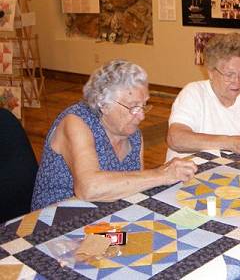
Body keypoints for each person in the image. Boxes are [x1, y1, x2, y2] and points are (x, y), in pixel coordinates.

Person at [31, 60, 197, 210]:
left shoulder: (132, 133)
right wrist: (161, 174)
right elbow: (89, 188)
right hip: (57, 225)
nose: (141, 116)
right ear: (103, 104)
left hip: (104, 219)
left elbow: (135, 186)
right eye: (133, 107)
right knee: (131, 241)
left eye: (144, 105)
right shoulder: (75, 122)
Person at [167, 33, 240, 160]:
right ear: (211, 72)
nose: (237, 81)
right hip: (188, 173)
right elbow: (176, 139)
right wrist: (230, 143)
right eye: (229, 75)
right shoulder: (194, 94)